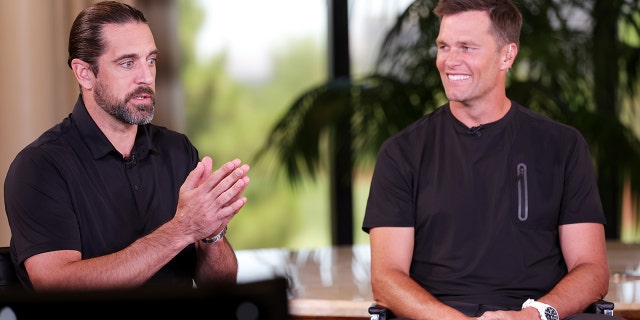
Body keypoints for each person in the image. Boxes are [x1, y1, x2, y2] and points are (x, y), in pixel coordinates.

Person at [362, 0, 621, 319]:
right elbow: (386, 279)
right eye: (444, 46)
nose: (449, 61)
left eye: (467, 47)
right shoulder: (402, 152)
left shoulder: (563, 146)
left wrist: (532, 316)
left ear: (507, 55)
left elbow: (592, 270)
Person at [4, 1, 250, 291]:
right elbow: (57, 286)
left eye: (151, 60)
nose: (146, 77)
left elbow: (219, 287)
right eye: (127, 63)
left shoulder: (177, 150)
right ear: (84, 73)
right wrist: (181, 229)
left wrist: (212, 233)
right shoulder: (40, 167)